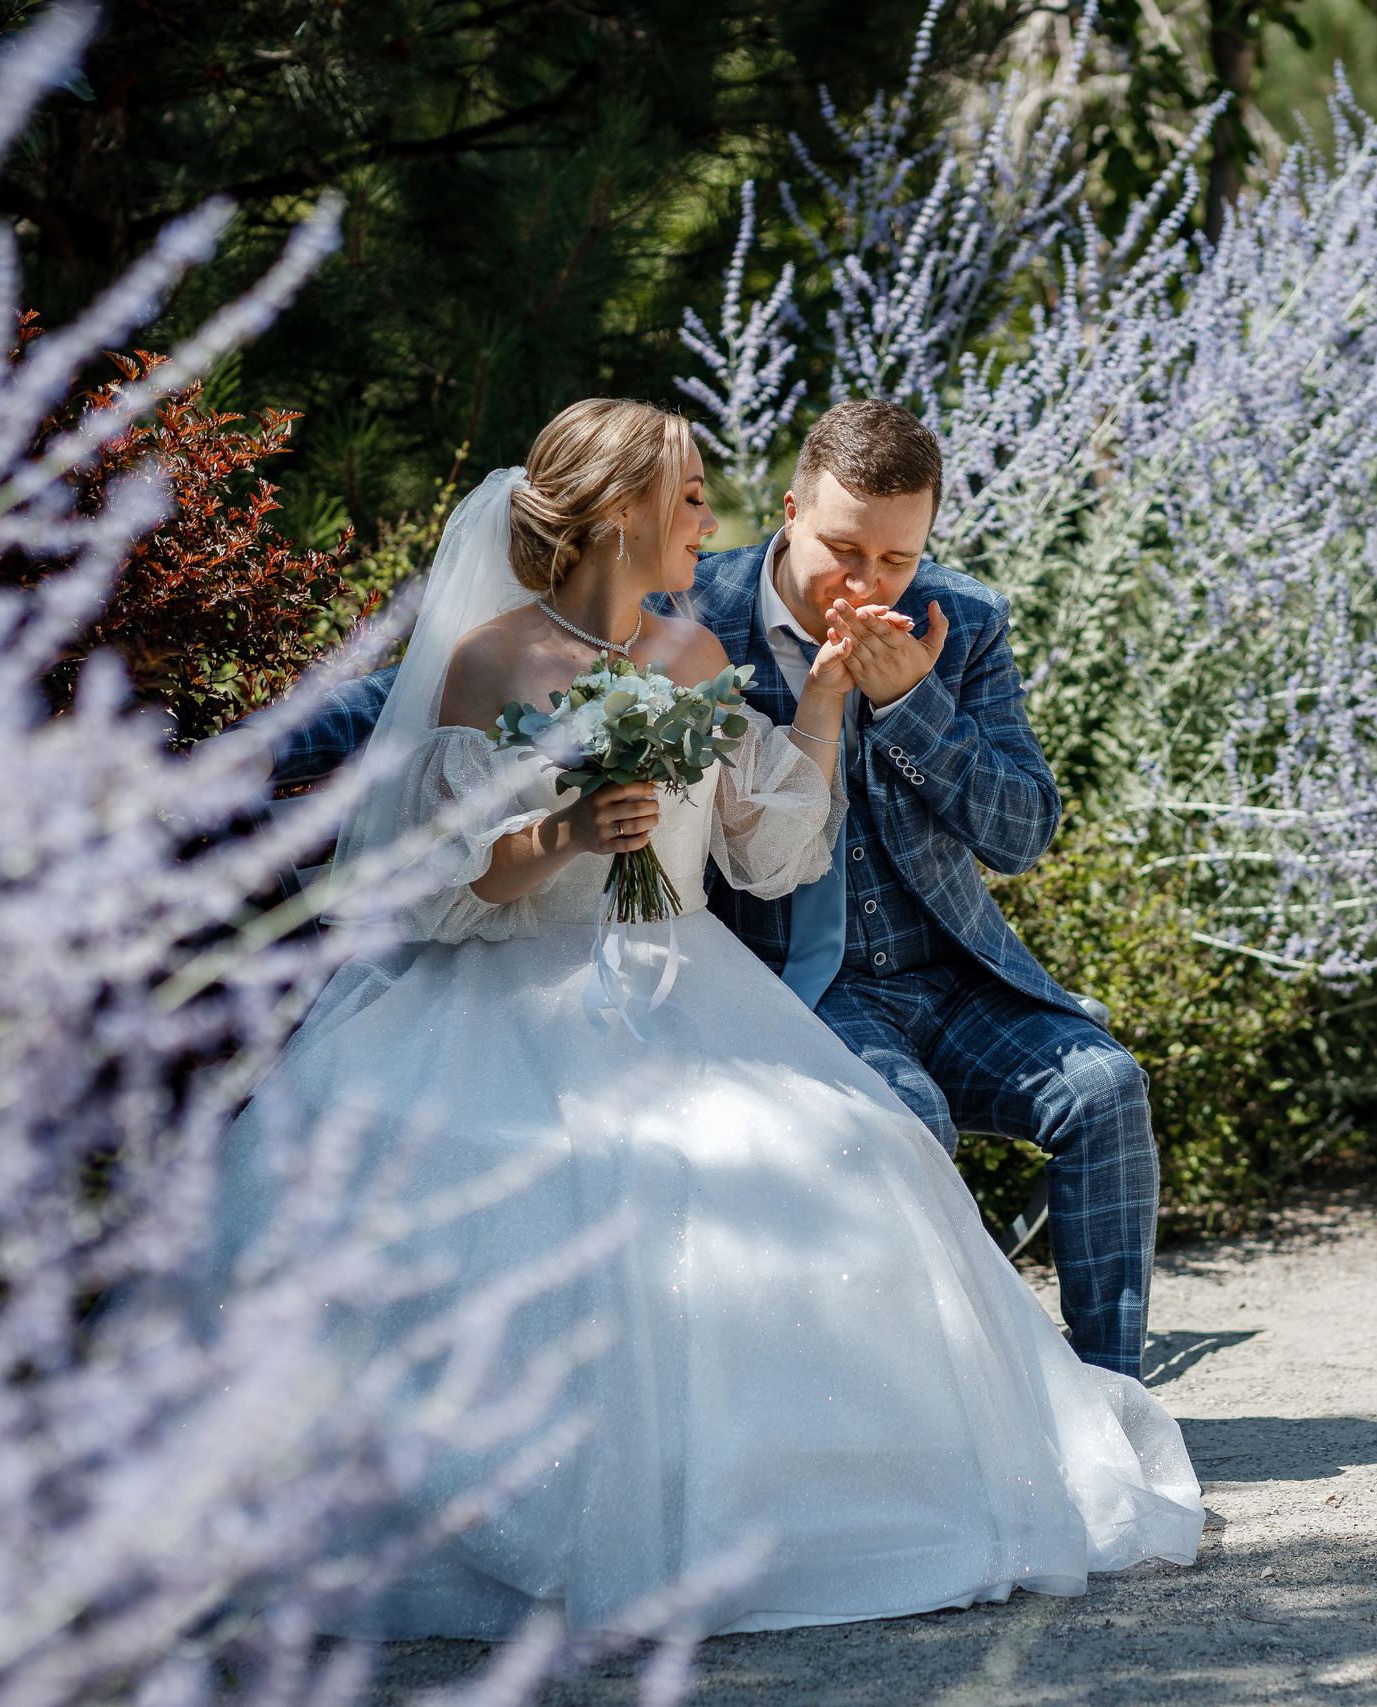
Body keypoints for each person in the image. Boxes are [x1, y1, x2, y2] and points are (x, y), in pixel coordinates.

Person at [220, 400, 1202, 1641]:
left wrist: (872, 701)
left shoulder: (830, 637)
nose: (867, 580)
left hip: (796, 974)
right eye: (692, 498)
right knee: (821, 1141)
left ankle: (1005, 1417)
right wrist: (260, 758)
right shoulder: (620, 630)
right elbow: (428, 809)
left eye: (898, 557)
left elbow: (866, 837)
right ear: (639, 513)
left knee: (968, 1122)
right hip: (595, 987)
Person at [687, 399, 1161, 1381]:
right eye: (842, 550)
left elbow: (1022, 833)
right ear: (789, 512)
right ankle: (948, 1405)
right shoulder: (694, 618)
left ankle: (1113, 1400)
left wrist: (912, 703)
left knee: (1105, 1089)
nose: (867, 585)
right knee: (908, 1123)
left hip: (951, 974)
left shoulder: (963, 620)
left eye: (898, 559)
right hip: (798, 984)